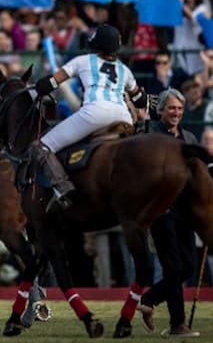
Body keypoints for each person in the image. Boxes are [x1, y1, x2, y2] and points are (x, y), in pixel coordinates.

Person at [31, 25, 148, 212]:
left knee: (41, 147)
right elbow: (140, 100)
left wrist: (38, 86)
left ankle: (63, 189)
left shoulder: (82, 60)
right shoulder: (124, 69)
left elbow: (49, 84)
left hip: (95, 112)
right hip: (123, 116)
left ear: (96, 45)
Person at [136, 88, 201, 337]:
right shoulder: (150, 136)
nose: (176, 113)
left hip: (186, 211)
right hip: (160, 211)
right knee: (173, 267)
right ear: (161, 110)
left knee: (188, 267)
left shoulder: (190, 138)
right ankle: (177, 324)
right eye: (172, 108)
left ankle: (150, 299)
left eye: (180, 109)